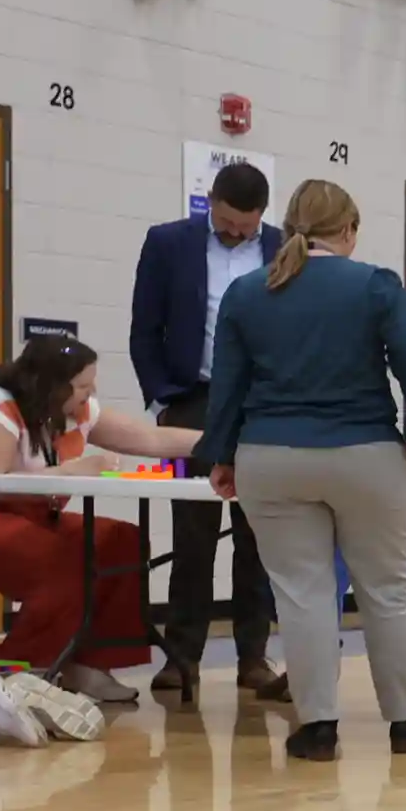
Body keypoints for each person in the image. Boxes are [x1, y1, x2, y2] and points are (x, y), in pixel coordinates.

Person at [193, 180, 406, 760]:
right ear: (348, 230)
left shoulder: (247, 292)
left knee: (301, 595)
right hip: (364, 454)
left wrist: (222, 455)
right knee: (387, 592)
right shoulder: (374, 285)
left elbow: (227, 386)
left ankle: (317, 726)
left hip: (270, 458)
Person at [0, 333, 198, 707]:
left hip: (36, 514)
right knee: (64, 557)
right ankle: (15, 670)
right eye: (83, 384)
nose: (92, 390)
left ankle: (91, 663)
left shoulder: (77, 411)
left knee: (122, 540)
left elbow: (152, 439)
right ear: (50, 385)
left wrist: (223, 439)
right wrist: (74, 470)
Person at [127, 158, 286, 704]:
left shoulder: (284, 249)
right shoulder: (168, 243)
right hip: (192, 399)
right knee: (192, 532)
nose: (240, 232)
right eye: (231, 221)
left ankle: (253, 658)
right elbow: (144, 328)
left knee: (257, 533)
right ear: (211, 200)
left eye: (250, 224)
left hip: (261, 403)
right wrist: (162, 402)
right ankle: (182, 658)